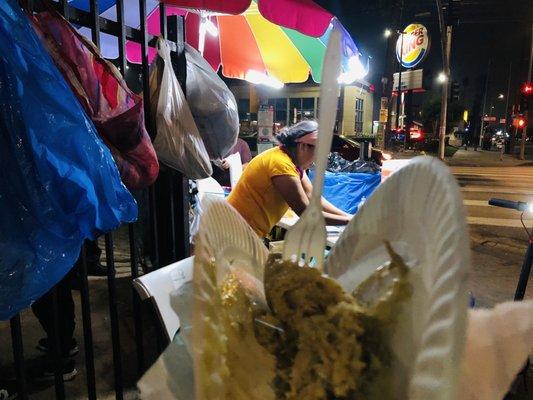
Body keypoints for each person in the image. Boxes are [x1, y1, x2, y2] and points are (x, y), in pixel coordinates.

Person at [227, 120, 352, 238]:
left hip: (242, 229)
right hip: (234, 230)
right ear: (303, 146)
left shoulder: (291, 162)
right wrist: (349, 221)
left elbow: (313, 197)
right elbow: (307, 214)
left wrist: (349, 217)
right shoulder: (281, 165)